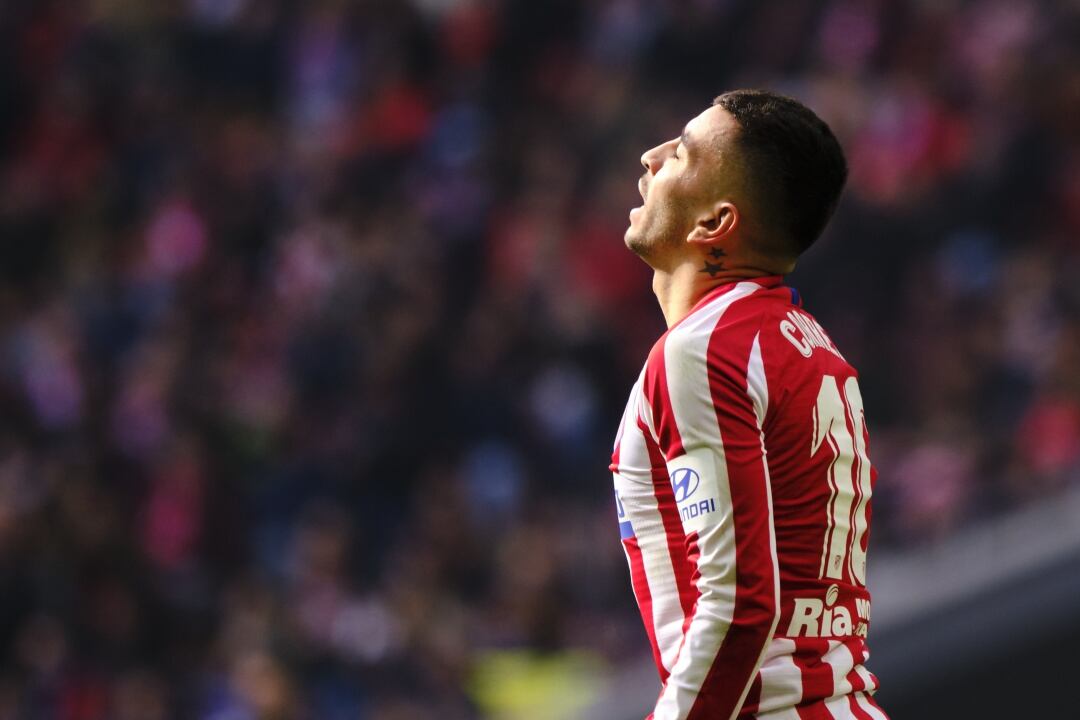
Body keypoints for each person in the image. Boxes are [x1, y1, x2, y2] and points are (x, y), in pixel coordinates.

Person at [611, 89, 889, 720]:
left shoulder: (703, 352)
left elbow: (738, 604)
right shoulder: (806, 345)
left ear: (715, 224)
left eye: (680, 154)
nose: (651, 158)